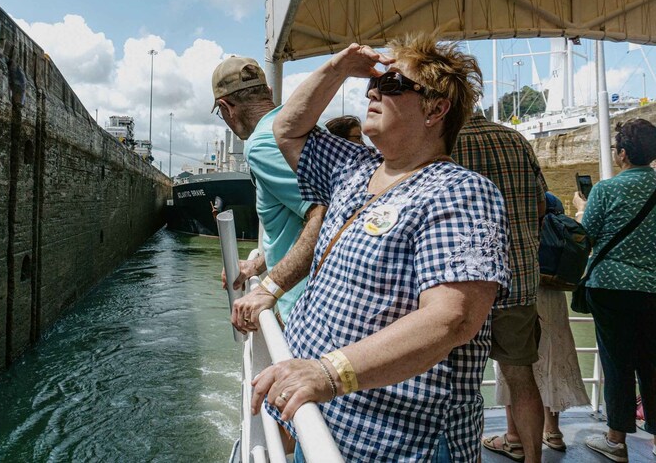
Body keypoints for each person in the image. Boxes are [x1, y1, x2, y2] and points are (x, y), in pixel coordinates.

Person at [254, 35, 511, 462]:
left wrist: (328, 372)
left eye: (392, 85)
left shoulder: (460, 192)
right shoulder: (354, 169)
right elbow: (287, 128)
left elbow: (452, 318)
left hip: (397, 442)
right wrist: (337, 68)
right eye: (374, 84)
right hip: (321, 420)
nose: (372, 90)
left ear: (435, 108)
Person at [451, 112, 548, 463]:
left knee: (458, 385)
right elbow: (541, 205)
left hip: (461, 286)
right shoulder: (516, 139)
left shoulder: (446, 142)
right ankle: (533, 457)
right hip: (518, 279)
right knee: (522, 378)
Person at [211, 56, 326, 332]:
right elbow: (297, 220)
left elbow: (324, 214)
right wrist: (258, 265)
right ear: (270, 94)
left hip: (306, 310)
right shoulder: (296, 129)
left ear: (226, 108)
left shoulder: (261, 144)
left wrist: (268, 288)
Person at [572, 119, 656, 462]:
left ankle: (616, 439)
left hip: (610, 287)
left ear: (622, 154)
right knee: (653, 364)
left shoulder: (607, 190)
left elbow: (586, 236)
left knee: (617, 363)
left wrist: (580, 210)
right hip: (653, 288)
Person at [491, 192, 590, 459]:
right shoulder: (552, 204)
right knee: (551, 360)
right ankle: (553, 432)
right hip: (553, 292)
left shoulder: (509, 213)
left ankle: (514, 438)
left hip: (521, 290)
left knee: (515, 365)